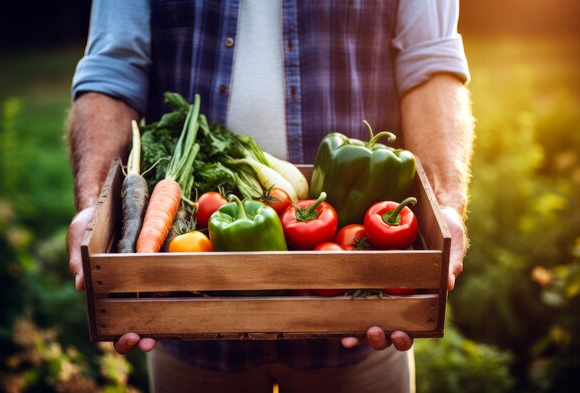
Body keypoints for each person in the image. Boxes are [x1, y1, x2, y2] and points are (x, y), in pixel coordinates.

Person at [66, 0, 473, 392]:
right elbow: (112, 69)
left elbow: (431, 63)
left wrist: (445, 207)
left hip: (362, 311)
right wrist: (94, 210)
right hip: (187, 314)